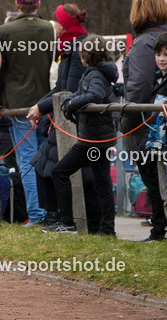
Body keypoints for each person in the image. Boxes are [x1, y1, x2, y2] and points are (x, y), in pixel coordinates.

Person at [0, 0, 56, 226]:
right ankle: (51, 212)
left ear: (17, 6)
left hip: (18, 106)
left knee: (27, 160)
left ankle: (37, 214)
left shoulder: (6, 31)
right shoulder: (49, 28)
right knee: (47, 159)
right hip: (46, 102)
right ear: (37, 5)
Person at [43, 36, 117, 235]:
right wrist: (70, 99)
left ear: (87, 56)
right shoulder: (94, 73)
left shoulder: (95, 75)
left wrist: (71, 104)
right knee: (101, 182)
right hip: (96, 137)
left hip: (94, 138)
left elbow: (95, 96)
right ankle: (106, 229)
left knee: (60, 171)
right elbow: (80, 92)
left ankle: (67, 221)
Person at [121, 0, 167, 242]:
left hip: (149, 123)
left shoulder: (145, 42)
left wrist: (127, 122)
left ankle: (162, 229)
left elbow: (140, 85)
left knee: (154, 177)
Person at [27, 4, 88, 226]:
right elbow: (60, 88)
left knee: (51, 166)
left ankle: (63, 217)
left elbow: (68, 90)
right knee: (40, 162)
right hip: (59, 116)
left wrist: (42, 107)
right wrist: (39, 106)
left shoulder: (78, 48)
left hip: (72, 121)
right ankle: (51, 213)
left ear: (65, 25)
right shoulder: (67, 47)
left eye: (58, 22)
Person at [144, 32, 167, 239]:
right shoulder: (160, 78)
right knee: (165, 192)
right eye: (158, 54)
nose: (161, 58)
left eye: (166, 54)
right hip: (159, 145)